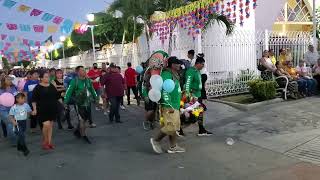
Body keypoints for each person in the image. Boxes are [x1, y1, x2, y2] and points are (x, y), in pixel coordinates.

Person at [150, 56, 185, 154]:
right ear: (172, 65)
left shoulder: (173, 74)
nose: (179, 65)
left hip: (175, 104)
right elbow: (164, 90)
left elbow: (173, 88)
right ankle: (156, 140)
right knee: (170, 127)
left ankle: (173, 146)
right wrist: (168, 104)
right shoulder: (166, 74)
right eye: (177, 63)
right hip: (170, 105)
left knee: (174, 127)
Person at [64, 66, 97, 144]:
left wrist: (96, 97)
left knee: (85, 120)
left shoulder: (88, 80)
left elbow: (92, 89)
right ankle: (84, 135)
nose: (84, 71)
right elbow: (68, 92)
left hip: (88, 103)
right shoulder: (74, 81)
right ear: (78, 72)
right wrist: (65, 102)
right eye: (82, 70)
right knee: (82, 120)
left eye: (84, 70)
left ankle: (78, 131)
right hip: (79, 104)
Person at [183, 57, 213, 136]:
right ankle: (179, 128)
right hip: (193, 97)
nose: (203, 66)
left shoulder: (197, 71)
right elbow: (187, 85)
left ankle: (201, 129)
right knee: (193, 115)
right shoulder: (191, 71)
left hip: (198, 96)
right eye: (202, 64)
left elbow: (200, 84)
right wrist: (190, 97)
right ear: (198, 63)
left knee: (200, 112)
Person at [32, 72, 60, 150]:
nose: (48, 78)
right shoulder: (37, 87)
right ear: (41, 78)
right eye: (46, 77)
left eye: (48, 77)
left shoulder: (52, 86)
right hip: (42, 109)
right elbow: (33, 100)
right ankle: (45, 140)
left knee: (50, 126)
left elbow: (57, 96)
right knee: (46, 125)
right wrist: (34, 109)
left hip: (52, 108)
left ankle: (49, 142)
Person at [0, 75, 18, 145]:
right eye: (8, 79)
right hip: (3, 110)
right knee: (11, 123)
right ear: (4, 81)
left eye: (10, 79)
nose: (10, 81)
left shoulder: (14, 88)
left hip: (13, 109)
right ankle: (14, 141)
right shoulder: (0, 89)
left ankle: (13, 137)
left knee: (11, 124)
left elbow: (17, 97)